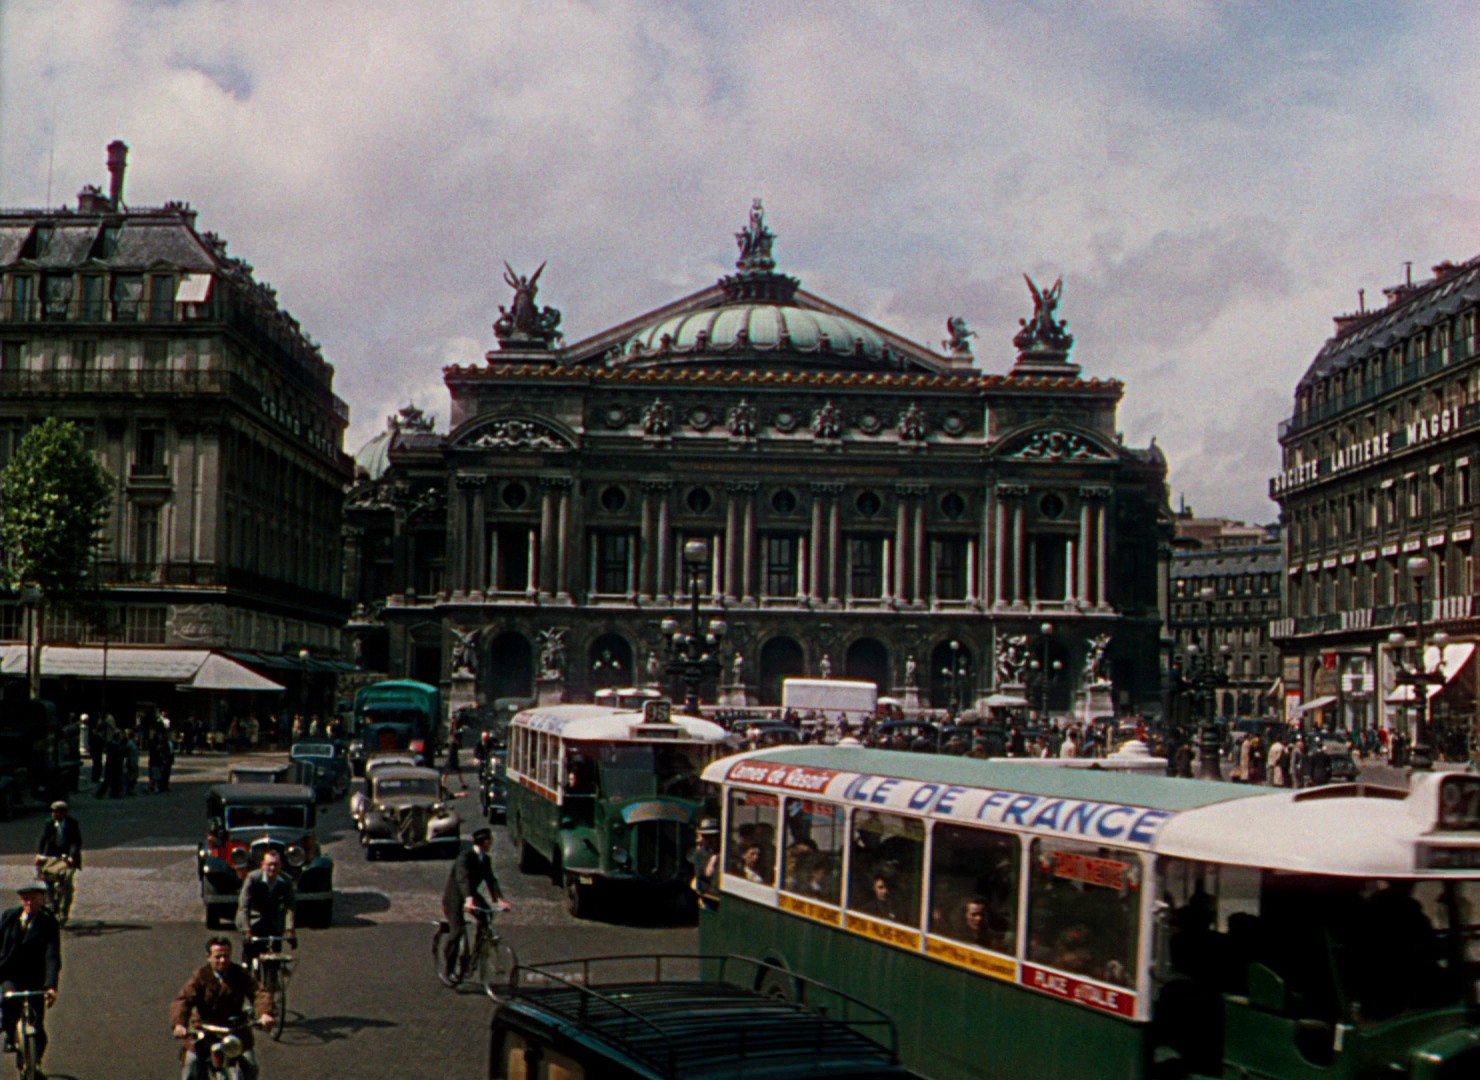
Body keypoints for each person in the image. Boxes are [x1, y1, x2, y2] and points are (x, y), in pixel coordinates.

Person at [171, 937, 273, 1080]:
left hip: (235, 1030)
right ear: (209, 957)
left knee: (251, 1066)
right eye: (217, 957)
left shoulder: (239, 974)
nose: (222, 960)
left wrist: (265, 1014)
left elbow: (258, 992)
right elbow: (184, 1000)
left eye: (226, 956)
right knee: (191, 1067)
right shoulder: (200, 976)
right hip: (204, 1030)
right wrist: (179, 1024)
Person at [0, 882, 61, 1076]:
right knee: (7, 1003)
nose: (29, 902)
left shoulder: (48, 922)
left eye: (34, 898)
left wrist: (51, 985)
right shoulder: (10, 917)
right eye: (26, 898)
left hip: (35, 978)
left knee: (38, 1026)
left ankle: (33, 1064)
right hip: (10, 973)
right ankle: (10, 1036)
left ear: (43, 899)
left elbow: (52, 954)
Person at [439, 828, 510, 987]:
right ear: (485, 842)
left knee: (486, 917)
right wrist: (468, 900)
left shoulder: (485, 859)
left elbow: (491, 880)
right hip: (455, 897)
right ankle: (448, 970)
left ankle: (475, 955)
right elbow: (463, 879)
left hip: (471, 894)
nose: (492, 843)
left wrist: (499, 900)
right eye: (490, 840)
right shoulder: (464, 858)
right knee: (457, 932)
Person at [235, 851, 296, 968]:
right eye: (269, 864)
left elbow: (290, 907)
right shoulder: (252, 879)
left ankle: (274, 980)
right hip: (253, 920)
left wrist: (290, 930)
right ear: (263, 865)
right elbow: (244, 906)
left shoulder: (286, 881)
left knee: (276, 955)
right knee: (250, 952)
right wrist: (247, 930)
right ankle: (246, 971)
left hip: (273, 922)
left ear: (281, 866)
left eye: (276, 864)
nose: (272, 868)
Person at [34, 801, 83, 926]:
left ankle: (64, 913)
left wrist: (72, 856)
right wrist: (40, 854)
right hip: (52, 857)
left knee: (67, 884)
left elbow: (76, 842)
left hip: (67, 858)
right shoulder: (49, 823)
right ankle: (52, 902)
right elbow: (43, 839)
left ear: (64, 813)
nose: (54, 814)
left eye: (57, 812)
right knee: (46, 879)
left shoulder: (72, 824)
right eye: (53, 812)